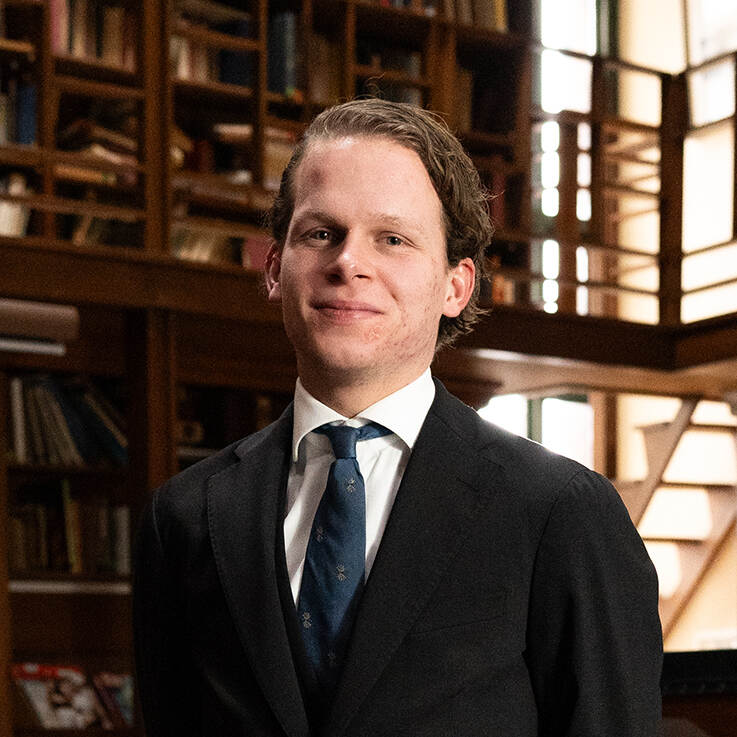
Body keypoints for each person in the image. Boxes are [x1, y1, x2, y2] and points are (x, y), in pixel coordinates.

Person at [133, 98, 662, 736]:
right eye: (320, 233)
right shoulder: (185, 517)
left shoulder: (560, 511)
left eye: (392, 239)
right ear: (275, 267)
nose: (348, 262)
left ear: (455, 286)